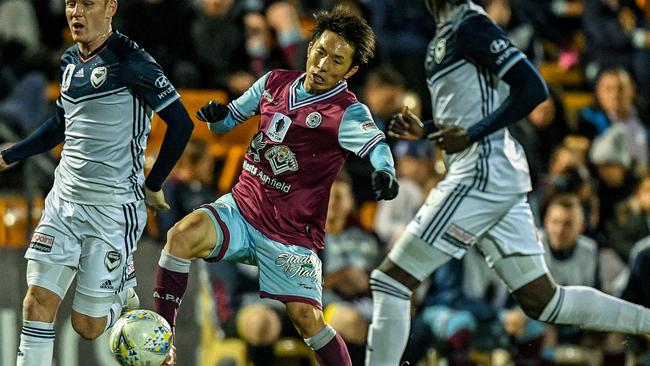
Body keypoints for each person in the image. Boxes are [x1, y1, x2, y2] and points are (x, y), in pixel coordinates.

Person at [364, 1, 650, 365]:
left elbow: (532, 87)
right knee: (544, 301)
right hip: (491, 173)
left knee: (389, 281)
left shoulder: (469, 23)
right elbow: (471, 108)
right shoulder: (446, 30)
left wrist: (471, 134)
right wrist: (430, 129)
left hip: (480, 171)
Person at [153, 6, 398, 366]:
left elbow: (377, 146)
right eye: (320, 52)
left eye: (337, 61)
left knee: (308, 322)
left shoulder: (347, 112)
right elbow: (229, 120)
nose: (323, 65)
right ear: (311, 45)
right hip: (242, 209)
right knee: (181, 236)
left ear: (351, 71)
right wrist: (218, 117)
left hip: (290, 236)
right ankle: (162, 343)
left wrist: (385, 172)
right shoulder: (274, 83)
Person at [0, 1, 194, 365]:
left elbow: (181, 124)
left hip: (113, 209)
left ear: (110, 8)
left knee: (87, 326)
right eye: (71, 3)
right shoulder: (70, 60)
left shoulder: (133, 62)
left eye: (88, 3)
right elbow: (61, 122)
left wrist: (153, 183)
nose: (76, 12)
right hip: (64, 201)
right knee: (37, 301)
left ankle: (124, 295)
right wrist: (10, 155)